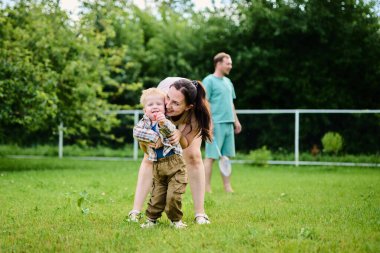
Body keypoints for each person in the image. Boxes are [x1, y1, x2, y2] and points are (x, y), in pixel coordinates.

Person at [127, 78, 213, 225]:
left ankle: (200, 213)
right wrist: (152, 141)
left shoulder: (196, 115)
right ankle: (135, 211)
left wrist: (179, 135)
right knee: (149, 157)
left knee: (193, 156)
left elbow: (185, 144)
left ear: (188, 106)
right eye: (167, 98)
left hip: (185, 123)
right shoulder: (161, 102)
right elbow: (143, 137)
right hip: (162, 120)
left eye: (176, 103)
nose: (167, 105)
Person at [133, 88, 187, 228]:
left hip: (175, 163)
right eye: (150, 105)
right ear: (145, 110)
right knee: (156, 195)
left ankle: (176, 220)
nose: (155, 106)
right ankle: (151, 220)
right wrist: (154, 137)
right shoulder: (144, 123)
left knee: (173, 195)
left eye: (159, 104)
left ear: (164, 107)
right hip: (157, 165)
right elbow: (136, 132)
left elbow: (170, 132)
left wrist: (162, 123)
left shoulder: (167, 120)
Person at [203, 52, 242, 193]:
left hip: (228, 123)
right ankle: (206, 187)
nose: (230, 66)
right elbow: (204, 103)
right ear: (219, 64)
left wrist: (236, 121)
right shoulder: (209, 80)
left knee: (226, 157)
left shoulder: (228, 82)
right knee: (211, 157)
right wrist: (209, 123)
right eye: (228, 63)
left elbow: (231, 103)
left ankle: (227, 187)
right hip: (215, 124)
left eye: (230, 63)